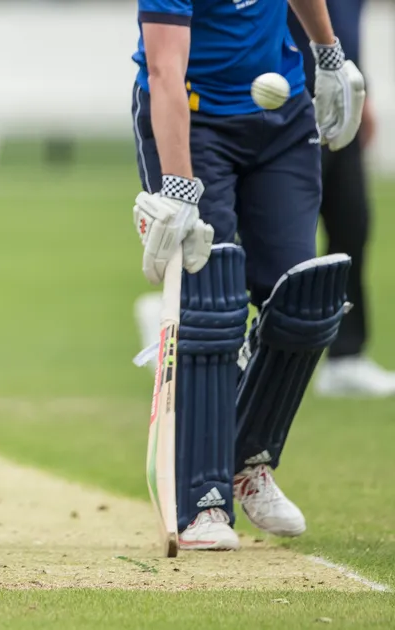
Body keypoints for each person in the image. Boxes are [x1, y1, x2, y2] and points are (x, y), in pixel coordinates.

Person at [130, 0, 364, 550]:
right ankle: (203, 502)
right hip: (195, 119)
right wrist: (180, 187)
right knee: (213, 306)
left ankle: (247, 456)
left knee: (304, 301)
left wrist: (328, 54)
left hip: (282, 119)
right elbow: (164, 68)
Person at [287, 1, 395, 397]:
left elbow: (347, 35)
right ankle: (192, 319)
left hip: (340, 102)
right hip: (290, 102)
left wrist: (361, 96)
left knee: (353, 223)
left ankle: (345, 357)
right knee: (282, 234)